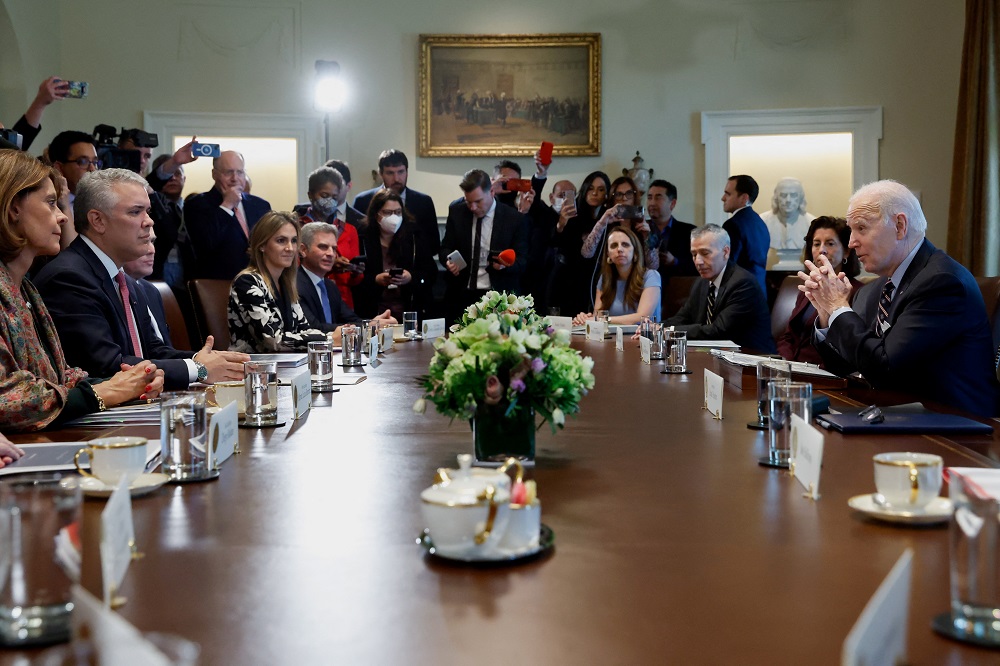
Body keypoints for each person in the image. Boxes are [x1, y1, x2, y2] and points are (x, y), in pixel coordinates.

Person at [33, 168, 246, 390]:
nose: (149, 222)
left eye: (148, 211)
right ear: (97, 220)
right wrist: (197, 369)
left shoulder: (123, 278)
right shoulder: (69, 278)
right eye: (135, 212)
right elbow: (105, 366)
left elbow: (152, 351)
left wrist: (215, 361)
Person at [801, 180, 999, 417]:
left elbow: (885, 370)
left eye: (861, 229)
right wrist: (826, 313)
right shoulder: (873, 290)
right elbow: (848, 364)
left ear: (900, 226)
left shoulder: (942, 282)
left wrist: (838, 307)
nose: (852, 242)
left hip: (956, 429)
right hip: (897, 414)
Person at [0, 149, 165, 432]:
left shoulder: (26, 289)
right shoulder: (55, 277)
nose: (63, 217)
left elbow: (57, 376)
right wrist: (105, 392)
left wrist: (127, 382)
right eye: (51, 204)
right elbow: (8, 399)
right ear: (14, 208)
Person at [664, 224, 776, 352]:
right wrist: (658, 328)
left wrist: (670, 331)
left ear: (725, 252)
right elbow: (683, 317)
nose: (698, 261)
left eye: (705, 253)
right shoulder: (702, 282)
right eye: (694, 254)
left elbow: (719, 330)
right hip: (716, 355)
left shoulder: (742, 283)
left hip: (752, 360)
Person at [228, 211, 326, 353]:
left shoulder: (286, 283)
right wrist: (326, 339)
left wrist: (323, 337)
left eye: (293, 241)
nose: (290, 248)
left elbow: (305, 329)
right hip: (249, 369)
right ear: (262, 245)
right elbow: (273, 340)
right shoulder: (247, 282)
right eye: (281, 240)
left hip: (284, 366)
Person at [439, 169, 528, 322]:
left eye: (478, 201)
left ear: (492, 192)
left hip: (499, 296)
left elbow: (523, 261)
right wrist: (448, 261)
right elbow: (445, 248)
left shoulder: (513, 218)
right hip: (462, 293)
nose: (472, 207)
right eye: (468, 201)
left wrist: (504, 266)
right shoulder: (457, 211)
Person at [776, 217, 861, 365]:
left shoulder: (857, 291)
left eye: (830, 243)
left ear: (846, 252)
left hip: (825, 373)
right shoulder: (808, 287)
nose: (822, 250)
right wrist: (785, 364)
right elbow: (788, 336)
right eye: (816, 244)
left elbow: (847, 345)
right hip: (791, 369)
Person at [296, 222, 395, 339]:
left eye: (334, 248)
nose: (331, 254)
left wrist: (373, 323)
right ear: (303, 250)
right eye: (323, 247)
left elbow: (352, 319)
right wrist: (369, 325)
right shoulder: (294, 284)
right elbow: (314, 327)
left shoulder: (330, 286)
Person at [184, 150, 271, 280]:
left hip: (259, 280)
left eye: (240, 172)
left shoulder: (261, 205)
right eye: (228, 172)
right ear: (214, 175)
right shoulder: (197, 204)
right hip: (218, 285)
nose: (235, 178)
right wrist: (227, 205)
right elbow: (205, 244)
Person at [355, 189, 437, 321]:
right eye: (387, 212)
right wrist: (376, 280)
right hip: (373, 310)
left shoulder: (414, 237)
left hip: (409, 309)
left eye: (398, 212)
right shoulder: (363, 237)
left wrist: (410, 277)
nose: (394, 217)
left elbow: (430, 273)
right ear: (376, 215)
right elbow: (355, 279)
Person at [296, 167, 363, 308]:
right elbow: (293, 269)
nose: (330, 201)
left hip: (342, 303)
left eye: (334, 197)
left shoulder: (348, 230)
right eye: (325, 196)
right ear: (311, 195)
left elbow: (354, 282)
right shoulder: (298, 227)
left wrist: (355, 271)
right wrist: (331, 266)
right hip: (307, 300)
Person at [353, 149, 440, 257]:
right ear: (381, 174)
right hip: (374, 266)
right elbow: (356, 243)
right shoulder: (363, 200)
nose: (396, 178)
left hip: (413, 267)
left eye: (401, 172)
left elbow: (434, 245)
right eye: (390, 173)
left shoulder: (423, 202)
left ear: (407, 172)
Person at [572, 227, 660, 326]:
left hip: (641, 338)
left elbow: (642, 318)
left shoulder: (651, 276)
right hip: (611, 338)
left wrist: (599, 320)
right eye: (614, 245)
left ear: (635, 252)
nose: (619, 249)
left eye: (625, 245)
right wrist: (585, 319)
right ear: (608, 254)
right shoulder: (604, 278)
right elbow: (597, 317)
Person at [580, 176, 658, 271]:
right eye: (618, 194)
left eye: (629, 193)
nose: (624, 198)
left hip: (637, 279)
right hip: (608, 278)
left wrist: (647, 238)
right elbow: (586, 253)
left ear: (634, 196)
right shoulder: (603, 223)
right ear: (613, 199)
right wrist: (602, 223)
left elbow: (654, 266)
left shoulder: (645, 225)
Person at [646, 180, 697, 295]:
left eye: (658, 197)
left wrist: (675, 262)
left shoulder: (690, 232)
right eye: (649, 197)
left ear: (672, 203)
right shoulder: (639, 230)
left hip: (677, 295)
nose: (652, 203)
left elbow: (699, 265)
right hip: (642, 293)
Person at [123, 232, 174, 346]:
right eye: (143, 241)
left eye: (152, 241)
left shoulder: (151, 291)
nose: (152, 250)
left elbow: (164, 352)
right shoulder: (113, 292)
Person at [721, 174, 770, 293]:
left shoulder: (732, 224)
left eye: (728, 194)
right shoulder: (761, 224)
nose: (723, 198)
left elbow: (727, 265)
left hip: (739, 294)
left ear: (744, 198)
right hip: (760, 293)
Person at [761, 178, 816, 250]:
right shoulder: (762, 222)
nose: (788, 200)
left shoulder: (812, 223)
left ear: (801, 198)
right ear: (776, 197)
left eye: (793, 195)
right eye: (783, 195)